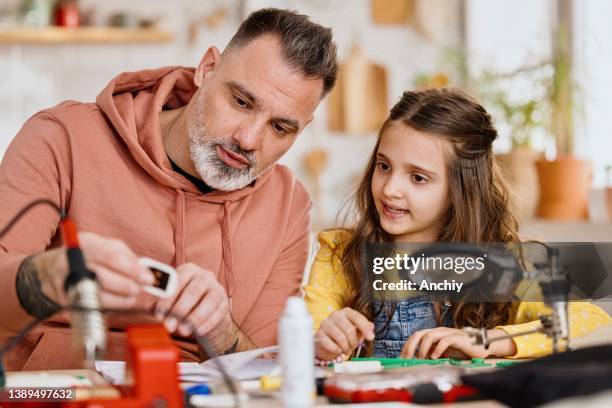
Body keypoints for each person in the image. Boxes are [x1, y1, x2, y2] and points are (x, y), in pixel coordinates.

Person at [0, 8, 338, 370]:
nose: (249, 139)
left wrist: (224, 331)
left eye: (280, 128)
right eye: (241, 102)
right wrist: (47, 276)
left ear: (301, 130)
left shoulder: (287, 204)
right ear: (207, 69)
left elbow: (268, 374)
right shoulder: (61, 137)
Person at [304, 88, 611, 362]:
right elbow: (310, 337)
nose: (390, 188)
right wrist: (324, 340)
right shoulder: (340, 256)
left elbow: (589, 319)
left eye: (418, 177)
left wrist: (487, 341)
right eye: (384, 166)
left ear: (461, 191)